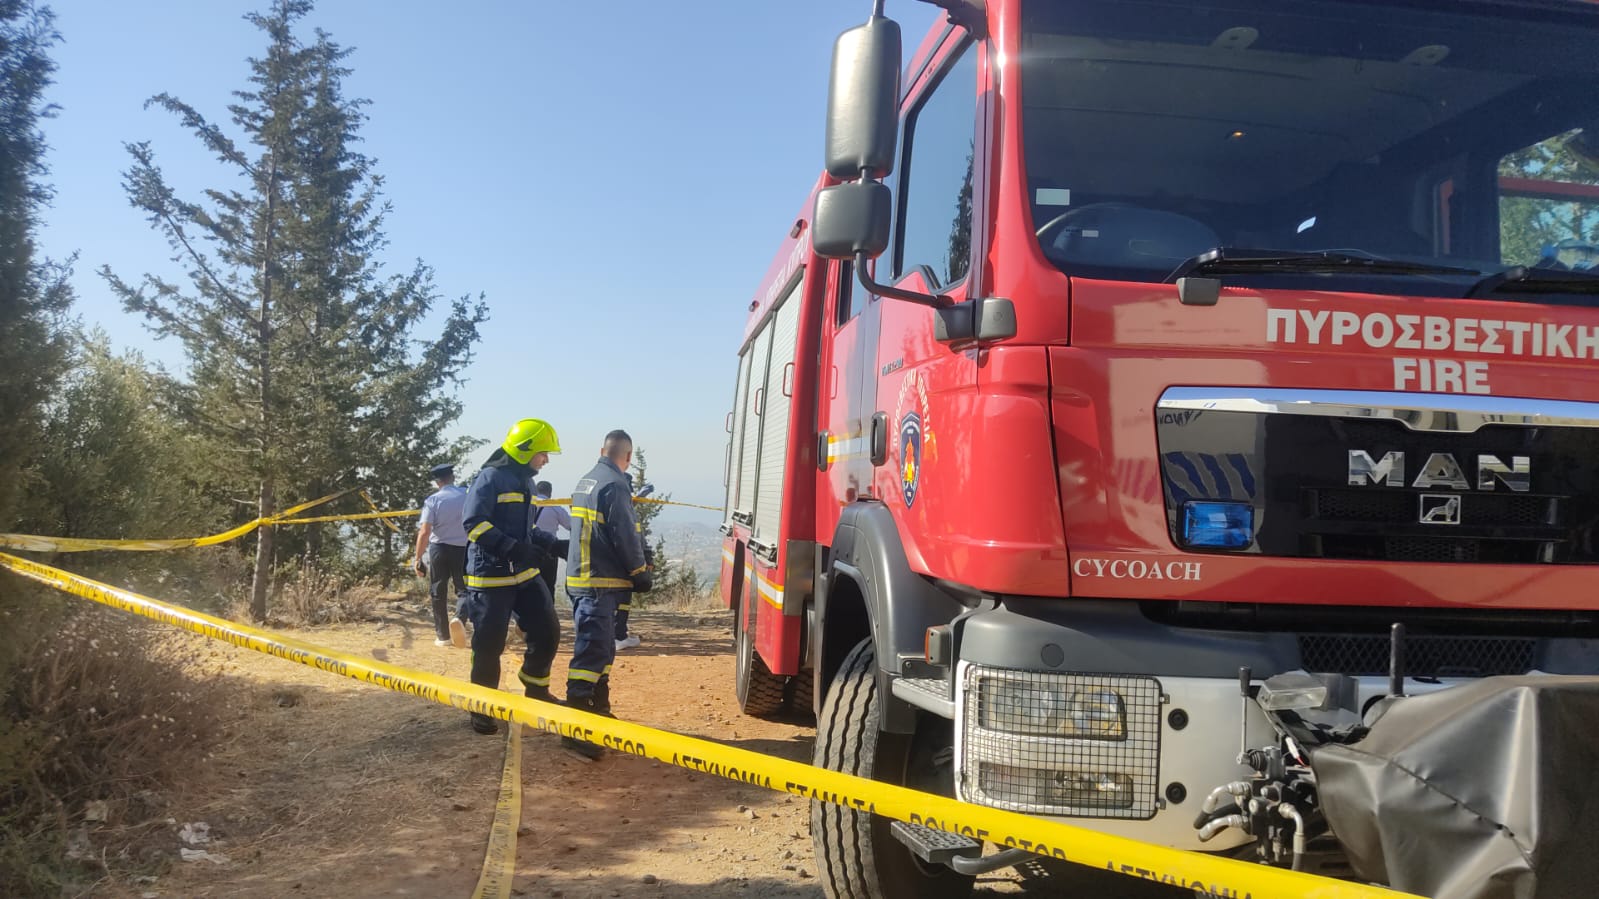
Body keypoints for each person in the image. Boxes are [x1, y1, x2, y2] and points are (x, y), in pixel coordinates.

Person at [460, 418, 565, 735]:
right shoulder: (490, 479)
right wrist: (513, 549)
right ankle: (481, 707)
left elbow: (526, 529)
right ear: (525, 450)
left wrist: (553, 544)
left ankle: (535, 689)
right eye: (542, 453)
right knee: (489, 646)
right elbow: (474, 524)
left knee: (547, 632)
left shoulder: (526, 482)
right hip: (490, 578)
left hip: (524, 574)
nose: (545, 460)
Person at [562, 429, 652, 759]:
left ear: (603, 450)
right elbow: (624, 535)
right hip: (600, 584)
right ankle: (575, 731)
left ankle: (598, 712)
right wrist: (640, 573)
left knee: (600, 653)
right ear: (627, 457)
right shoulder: (615, 485)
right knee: (590, 654)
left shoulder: (587, 480)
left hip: (587, 581)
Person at [413, 463, 469, 648]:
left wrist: (418, 558)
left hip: (439, 549)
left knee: (438, 590)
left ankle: (443, 636)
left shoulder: (433, 501)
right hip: (463, 547)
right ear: (452, 477)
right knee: (464, 590)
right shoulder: (466, 496)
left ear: (437, 482)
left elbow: (425, 531)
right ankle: (459, 618)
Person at [531, 481, 571, 603]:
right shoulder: (555, 507)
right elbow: (571, 525)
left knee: (528, 585)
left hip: (528, 550)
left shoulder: (529, 505)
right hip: (549, 551)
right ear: (550, 492)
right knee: (548, 585)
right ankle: (548, 614)